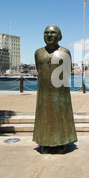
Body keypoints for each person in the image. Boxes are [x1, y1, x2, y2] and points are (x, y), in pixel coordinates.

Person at [33, 25, 77, 154]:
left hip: (61, 90)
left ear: (60, 37)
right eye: (46, 33)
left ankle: (62, 141)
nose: (49, 36)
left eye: (53, 33)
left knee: (61, 115)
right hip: (44, 91)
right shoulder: (38, 53)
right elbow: (39, 69)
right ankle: (45, 142)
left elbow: (68, 71)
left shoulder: (65, 52)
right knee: (44, 115)